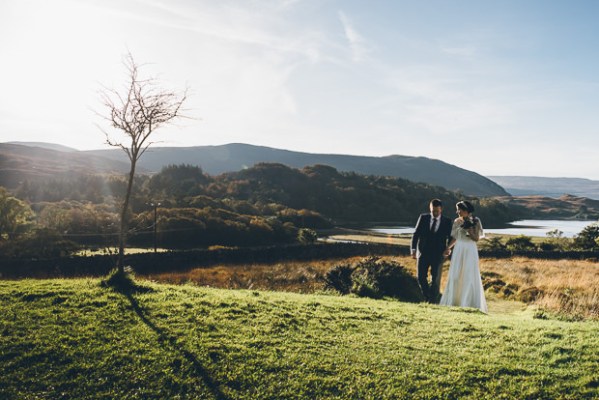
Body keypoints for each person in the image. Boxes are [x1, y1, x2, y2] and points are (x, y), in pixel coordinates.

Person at [440, 200, 488, 313]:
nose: (457, 212)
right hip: (459, 249)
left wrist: (469, 230)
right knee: (456, 275)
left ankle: (468, 303)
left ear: (466, 210)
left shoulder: (476, 221)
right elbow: (455, 237)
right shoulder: (457, 221)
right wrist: (448, 247)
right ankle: (453, 301)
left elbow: (476, 239)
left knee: (469, 275)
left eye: (459, 210)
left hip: (470, 249)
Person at [410, 199, 453, 303]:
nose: (434, 213)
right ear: (430, 208)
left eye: (437, 211)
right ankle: (427, 296)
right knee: (420, 277)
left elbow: (451, 237)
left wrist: (448, 249)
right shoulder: (423, 218)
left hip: (438, 254)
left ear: (441, 209)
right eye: (433, 211)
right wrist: (413, 249)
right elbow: (416, 234)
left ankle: (432, 301)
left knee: (436, 279)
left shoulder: (447, 221)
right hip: (423, 252)